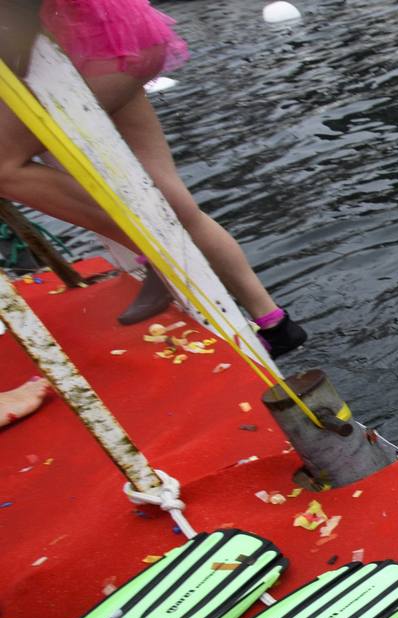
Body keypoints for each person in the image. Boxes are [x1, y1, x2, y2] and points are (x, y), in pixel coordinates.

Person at [0, 0, 307, 354]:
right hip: (118, 36)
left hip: (90, 51)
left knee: (5, 165)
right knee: (168, 196)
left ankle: (153, 252)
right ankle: (274, 323)